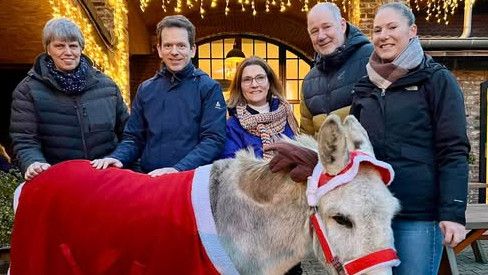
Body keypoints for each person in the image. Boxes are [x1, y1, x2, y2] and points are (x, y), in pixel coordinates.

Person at [350, 3, 470, 274]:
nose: (383, 35)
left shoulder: (437, 81)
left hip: (418, 214)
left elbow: (453, 150)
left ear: (412, 30)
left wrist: (452, 213)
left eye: (392, 27)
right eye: (377, 29)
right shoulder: (364, 87)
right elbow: (355, 150)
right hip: (373, 214)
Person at [92, 15, 226, 176]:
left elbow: (213, 140)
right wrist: (118, 157)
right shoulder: (146, 89)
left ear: (192, 50)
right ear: (159, 50)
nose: (174, 52)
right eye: (168, 45)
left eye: (181, 45)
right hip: (151, 179)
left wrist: (177, 169)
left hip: (191, 180)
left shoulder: (209, 88)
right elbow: (133, 137)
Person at [9, 18, 129, 181]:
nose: (68, 52)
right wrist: (33, 162)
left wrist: (119, 159)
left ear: (81, 48)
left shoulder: (107, 86)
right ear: (48, 49)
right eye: (59, 46)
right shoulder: (28, 90)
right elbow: (25, 139)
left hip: (107, 179)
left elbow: (128, 133)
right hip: (60, 182)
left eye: (73, 45)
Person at [300, 2, 373, 136]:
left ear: (342, 25)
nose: (321, 36)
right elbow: (307, 137)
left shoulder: (372, 59)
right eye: (314, 31)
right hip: (324, 157)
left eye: (327, 27)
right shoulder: (309, 82)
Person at [221, 56, 298, 160]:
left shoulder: (287, 115)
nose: (254, 84)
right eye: (247, 80)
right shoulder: (232, 125)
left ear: (269, 82)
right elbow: (231, 166)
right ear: (240, 86)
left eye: (260, 78)